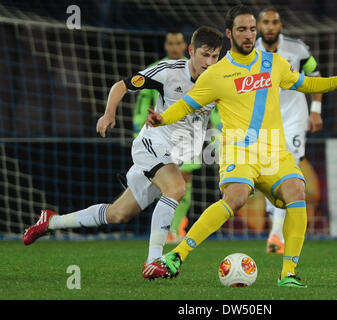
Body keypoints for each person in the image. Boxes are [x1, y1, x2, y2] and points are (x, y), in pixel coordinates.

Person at [145, 4, 337, 287]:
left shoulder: (273, 63)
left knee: (297, 191)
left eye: (252, 29)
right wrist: (162, 118)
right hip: (239, 149)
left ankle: (288, 273)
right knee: (235, 197)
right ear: (229, 34)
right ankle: (177, 255)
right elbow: (186, 106)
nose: (249, 34)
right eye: (242, 29)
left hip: (274, 150)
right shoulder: (215, 74)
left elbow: (306, 84)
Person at [22, 26, 224, 280]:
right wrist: (109, 114)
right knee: (176, 187)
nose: (209, 62)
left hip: (176, 155)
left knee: (118, 214)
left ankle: (50, 222)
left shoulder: (219, 80)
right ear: (191, 51)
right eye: (205, 55)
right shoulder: (168, 71)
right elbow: (122, 85)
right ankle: (153, 262)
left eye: (215, 56)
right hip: (152, 145)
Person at [255, 8, 323, 254]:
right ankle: (276, 221)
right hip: (264, 120)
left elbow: (315, 75)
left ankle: (275, 234)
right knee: (268, 171)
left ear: (280, 24)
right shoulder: (248, 52)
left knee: (289, 167)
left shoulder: (298, 49)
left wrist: (315, 109)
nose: (270, 27)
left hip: (294, 117)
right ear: (259, 26)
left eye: (274, 22)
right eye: (265, 22)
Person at [130, 31, 192, 243]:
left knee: (184, 180)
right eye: (170, 43)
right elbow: (143, 100)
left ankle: (175, 228)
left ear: (185, 45)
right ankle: (166, 228)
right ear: (166, 46)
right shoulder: (158, 69)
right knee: (166, 182)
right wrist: (138, 126)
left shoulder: (195, 69)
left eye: (178, 43)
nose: (174, 47)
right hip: (160, 135)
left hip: (187, 135)